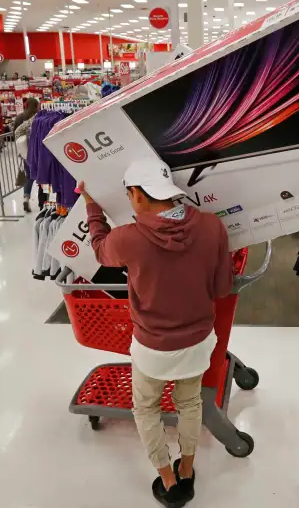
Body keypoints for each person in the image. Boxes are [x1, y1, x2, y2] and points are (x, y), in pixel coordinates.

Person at [78, 159, 234, 508]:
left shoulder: (128, 239)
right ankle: (189, 469)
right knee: (190, 402)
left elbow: (101, 249)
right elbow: (223, 287)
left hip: (152, 347)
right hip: (197, 341)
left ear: (136, 194)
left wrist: (92, 205)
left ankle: (168, 479)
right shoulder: (212, 227)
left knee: (146, 408)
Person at [12, 98, 46, 212]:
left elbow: (15, 133)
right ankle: (43, 202)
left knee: (29, 176)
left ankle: (26, 199)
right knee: (43, 177)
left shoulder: (20, 117)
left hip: (26, 152)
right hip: (40, 152)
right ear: (37, 106)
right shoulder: (38, 117)